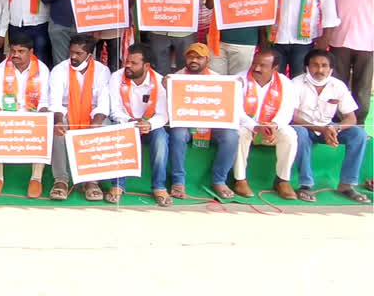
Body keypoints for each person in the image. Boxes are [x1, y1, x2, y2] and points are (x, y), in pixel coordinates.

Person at [164, 43, 249, 201]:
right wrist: (167, 88)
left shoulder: (219, 80)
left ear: (207, 60)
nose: (194, 60)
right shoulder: (176, 78)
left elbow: (228, 107)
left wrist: (236, 88)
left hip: (212, 126)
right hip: (187, 126)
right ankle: (178, 181)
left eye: (199, 57)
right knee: (177, 133)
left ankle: (219, 180)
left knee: (231, 136)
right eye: (190, 56)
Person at [290, 49, 369, 203]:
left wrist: (335, 128)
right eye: (315, 65)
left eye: (324, 66)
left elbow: (351, 118)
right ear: (307, 66)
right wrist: (322, 129)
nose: (320, 70)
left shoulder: (337, 85)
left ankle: (346, 185)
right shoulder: (295, 83)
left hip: (329, 128)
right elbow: (292, 117)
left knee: (358, 134)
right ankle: (305, 185)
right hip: (305, 127)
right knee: (298, 132)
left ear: (331, 69)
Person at [0, 34, 51, 198]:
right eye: (13, 51)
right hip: (9, 113)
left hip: (32, 114)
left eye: (21, 51)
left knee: (45, 126)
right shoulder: (2, 68)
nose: (15, 55)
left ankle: (36, 178)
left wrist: (42, 117)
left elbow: (44, 101)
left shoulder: (42, 69)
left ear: (31, 52)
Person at [48, 34, 110, 201]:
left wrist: (95, 124)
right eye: (71, 52)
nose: (73, 57)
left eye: (78, 53)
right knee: (57, 129)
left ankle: (91, 180)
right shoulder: (60, 69)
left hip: (93, 112)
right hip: (67, 112)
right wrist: (59, 119)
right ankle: (61, 179)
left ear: (89, 55)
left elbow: (104, 103)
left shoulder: (102, 71)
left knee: (104, 127)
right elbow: (55, 101)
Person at [108, 43, 170, 205]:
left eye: (134, 63)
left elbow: (163, 115)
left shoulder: (158, 81)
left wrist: (149, 125)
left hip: (148, 126)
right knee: (118, 132)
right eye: (127, 61)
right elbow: (114, 109)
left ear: (146, 66)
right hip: (125, 123)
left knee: (161, 138)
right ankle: (117, 186)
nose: (128, 66)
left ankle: (159, 187)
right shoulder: (117, 77)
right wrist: (128, 121)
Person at [233, 49, 298, 199]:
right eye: (254, 64)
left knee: (290, 135)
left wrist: (274, 126)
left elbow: (287, 111)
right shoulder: (240, 79)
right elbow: (236, 111)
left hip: (272, 127)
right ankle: (240, 179)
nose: (256, 68)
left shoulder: (285, 83)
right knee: (240, 133)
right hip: (247, 125)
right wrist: (255, 127)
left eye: (262, 66)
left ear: (275, 68)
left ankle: (282, 180)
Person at [329, 0, 372, 126]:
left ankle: (359, 125)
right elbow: (327, 3)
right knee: (338, 84)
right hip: (340, 37)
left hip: (369, 39)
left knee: (362, 87)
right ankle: (337, 123)